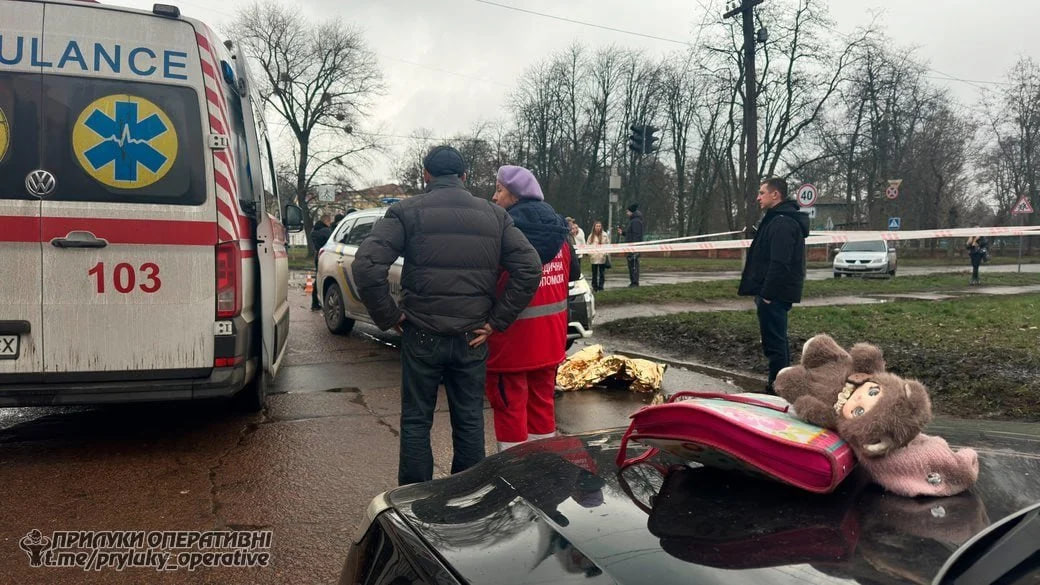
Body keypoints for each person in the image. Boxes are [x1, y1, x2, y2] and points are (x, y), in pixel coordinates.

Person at [352, 146, 542, 485]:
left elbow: (366, 266)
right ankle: (466, 497)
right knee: (469, 420)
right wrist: (496, 322)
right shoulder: (495, 216)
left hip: (421, 333)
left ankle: (414, 500)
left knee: (416, 421)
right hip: (472, 337)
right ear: (464, 176)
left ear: (426, 175)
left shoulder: (406, 212)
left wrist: (390, 316)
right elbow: (529, 268)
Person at [487, 165, 580, 451]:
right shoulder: (560, 231)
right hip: (550, 340)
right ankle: (544, 465)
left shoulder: (502, 233)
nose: (494, 197)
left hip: (510, 341)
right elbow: (574, 273)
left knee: (509, 408)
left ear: (516, 196)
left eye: (499, 190)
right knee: (542, 406)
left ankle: (513, 470)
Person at [737, 178, 810, 394]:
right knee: (774, 340)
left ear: (775, 195)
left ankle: (778, 387)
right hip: (772, 293)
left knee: (775, 342)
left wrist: (767, 294)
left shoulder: (782, 223)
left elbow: (780, 262)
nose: (758, 197)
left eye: (762, 193)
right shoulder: (776, 219)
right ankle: (779, 383)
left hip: (774, 294)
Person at [617, 203, 644, 287]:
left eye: (627, 212)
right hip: (631, 247)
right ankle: (633, 282)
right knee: (631, 264)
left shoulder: (635, 221)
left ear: (631, 212)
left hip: (633, 248)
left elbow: (636, 235)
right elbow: (631, 234)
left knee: (634, 265)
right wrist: (623, 233)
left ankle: (635, 282)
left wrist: (634, 248)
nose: (627, 213)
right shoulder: (633, 221)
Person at [310, 214, 333, 311]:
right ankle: (325, 302)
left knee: (318, 278)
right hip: (326, 256)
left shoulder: (314, 231)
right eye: (329, 222)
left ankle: (315, 303)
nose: (330, 224)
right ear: (326, 221)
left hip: (318, 255)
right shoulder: (326, 231)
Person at [586, 221, 610, 292]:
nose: (598, 227)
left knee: (602, 273)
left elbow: (608, 244)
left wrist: (605, 253)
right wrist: (591, 254)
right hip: (594, 257)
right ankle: (594, 286)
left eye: (599, 226)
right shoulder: (591, 236)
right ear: (594, 227)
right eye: (597, 226)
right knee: (594, 273)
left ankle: (601, 287)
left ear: (601, 227)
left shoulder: (605, 235)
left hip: (602, 257)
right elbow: (587, 245)